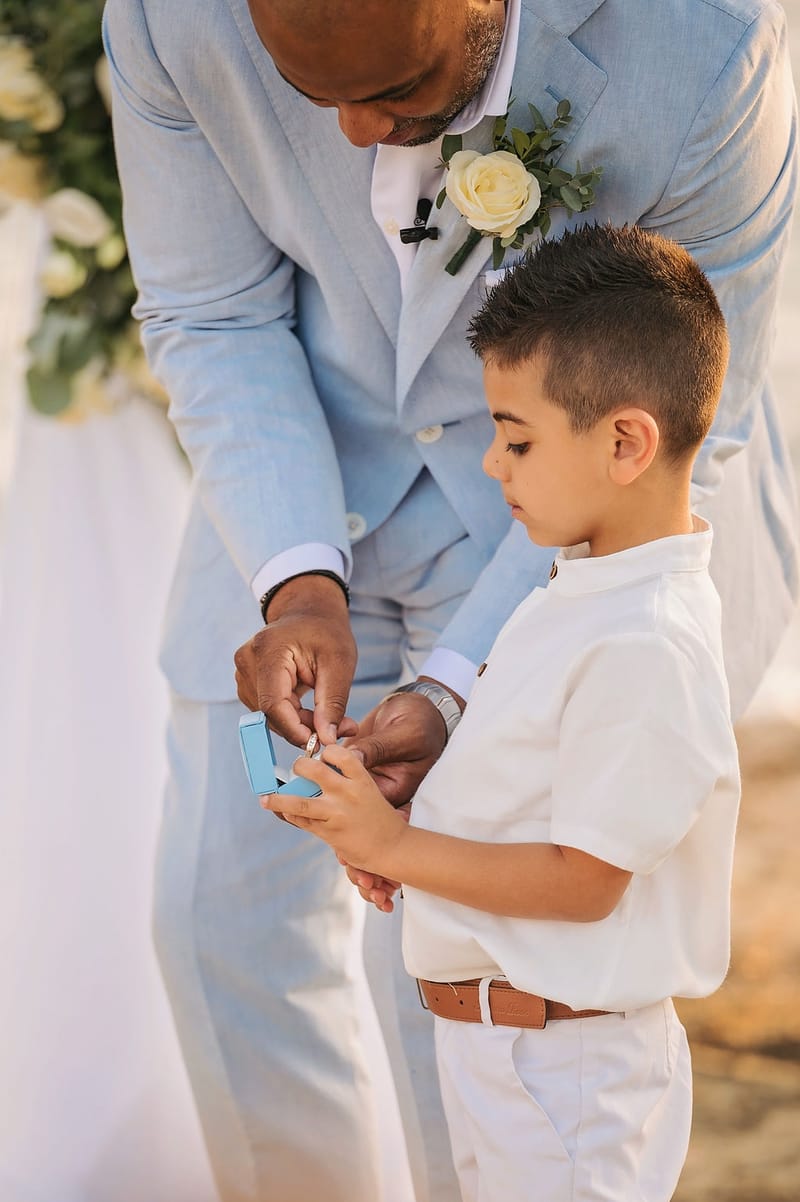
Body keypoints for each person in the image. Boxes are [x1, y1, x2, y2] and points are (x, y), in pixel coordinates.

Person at [102, 0, 797, 1197]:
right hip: (293, 471)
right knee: (221, 927)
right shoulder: (170, 20)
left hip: (558, 510)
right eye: (313, 93)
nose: (354, 132)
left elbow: (689, 421)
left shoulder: (709, 48)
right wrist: (295, 579)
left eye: (394, 91)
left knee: (449, 972)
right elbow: (210, 310)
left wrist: (450, 691)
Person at [272, 222, 741, 1202]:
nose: (493, 465)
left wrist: (399, 845)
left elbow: (584, 882)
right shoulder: (580, 589)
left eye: (517, 439)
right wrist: (406, 834)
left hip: (569, 1072)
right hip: (503, 1052)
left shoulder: (643, 640)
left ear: (625, 442)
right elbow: (534, 798)